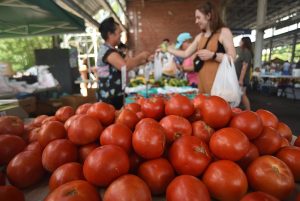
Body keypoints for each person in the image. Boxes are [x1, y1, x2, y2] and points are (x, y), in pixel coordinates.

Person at [167, 1, 236, 94]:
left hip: (220, 88)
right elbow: (185, 53)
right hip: (202, 87)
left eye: (198, 17)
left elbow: (232, 58)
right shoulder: (200, 37)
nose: (196, 21)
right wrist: (168, 49)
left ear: (208, 16)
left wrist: (213, 55)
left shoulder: (224, 32)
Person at [97, 17, 151, 109]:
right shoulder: (106, 51)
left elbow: (131, 62)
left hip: (117, 95)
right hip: (109, 98)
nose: (121, 36)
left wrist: (146, 59)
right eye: (119, 33)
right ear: (110, 34)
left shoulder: (115, 50)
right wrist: (141, 56)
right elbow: (125, 66)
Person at [235, 37, 253, 110]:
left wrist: (241, 80)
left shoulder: (246, 52)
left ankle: (249, 111)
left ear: (244, 42)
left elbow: (245, 66)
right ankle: (246, 111)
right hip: (239, 77)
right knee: (241, 94)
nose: (239, 42)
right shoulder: (243, 51)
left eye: (240, 41)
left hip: (242, 78)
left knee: (243, 95)